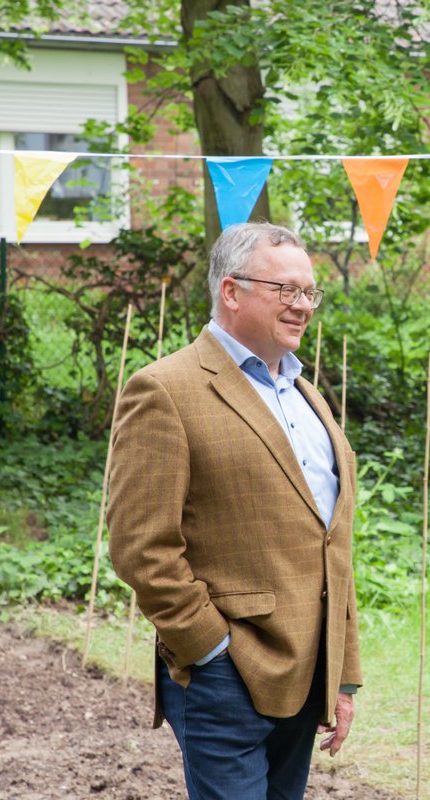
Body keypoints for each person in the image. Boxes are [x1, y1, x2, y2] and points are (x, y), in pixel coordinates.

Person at [108, 222, 361, 800]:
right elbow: (141, 548)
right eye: (287, 290)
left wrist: (342, 676)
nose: (302, 307)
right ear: (231, 291)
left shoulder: (304, 392)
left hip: (306, 674)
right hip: (224, 676)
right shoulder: (164, 390)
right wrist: (210, 649)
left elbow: (332, 543)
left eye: (309, 293)